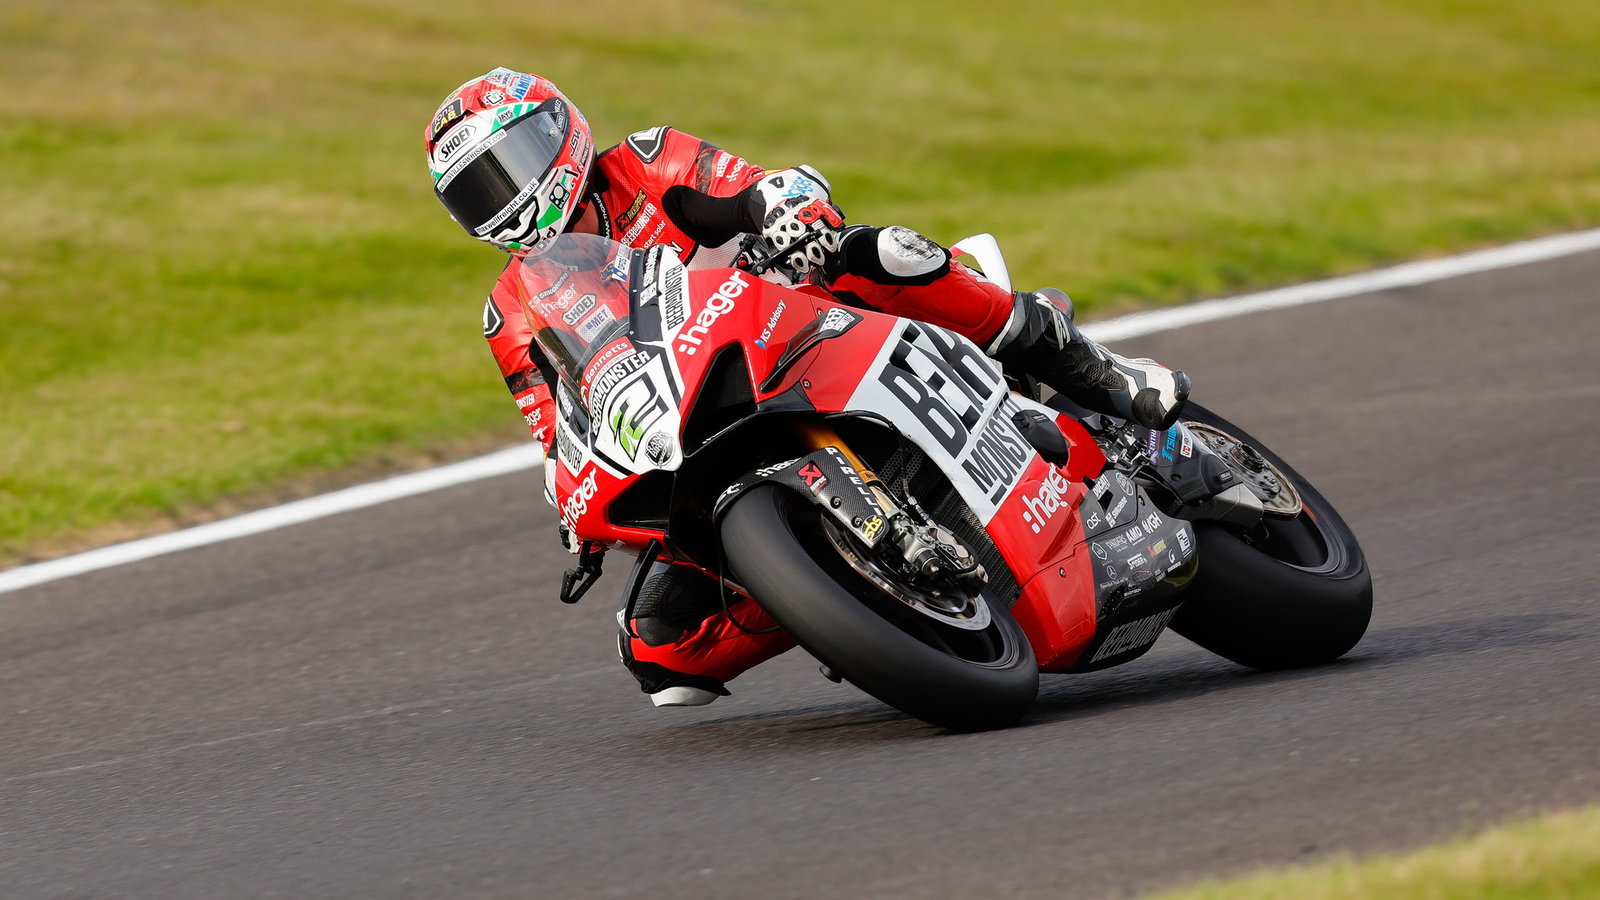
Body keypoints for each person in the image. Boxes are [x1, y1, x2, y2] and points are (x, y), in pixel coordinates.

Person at [426, 68, 1189, 708]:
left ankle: (1091, 367)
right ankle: (843, 589)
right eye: (476, 190)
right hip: (690, 424)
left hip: (797, 321)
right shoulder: (511, 309)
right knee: (659, 651)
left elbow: (750, 189)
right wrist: (572, 498)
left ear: (562, 135)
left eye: (511, 163)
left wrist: (782, 209)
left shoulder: (645, 161)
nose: (506, 195)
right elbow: (555, 420)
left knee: (881, 253)